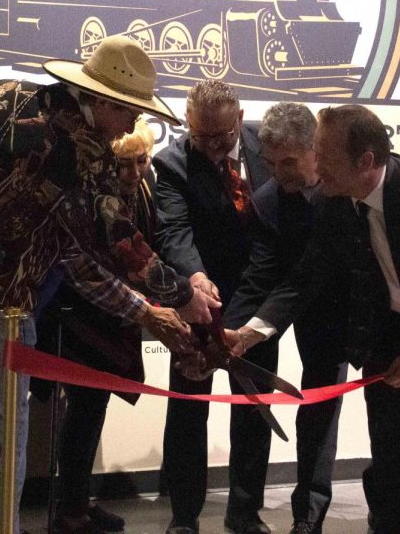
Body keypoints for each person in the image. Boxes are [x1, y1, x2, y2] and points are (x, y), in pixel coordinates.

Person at [0, 35, 216, 534]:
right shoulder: (83, 155)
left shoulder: (0, 91)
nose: (135, 122)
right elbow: (119, 242)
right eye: (131, 110)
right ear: (103, 101)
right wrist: (182, 295)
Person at [233, 105, 400, 534]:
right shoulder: (331, 198)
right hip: (393, 327)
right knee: (393, 450)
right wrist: (253, 331)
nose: (315, 165)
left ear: (365, 162)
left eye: (323, 154)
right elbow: (307, 275)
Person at [222, 102, 348, 534]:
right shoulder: (266, 202)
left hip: (333, 311)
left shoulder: (344, 190)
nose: (279, 173)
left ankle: (307, 516)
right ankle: (241, 510)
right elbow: (260, 275)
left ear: (315, 149)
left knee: (320, 411)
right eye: (271, 163)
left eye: (288, 162)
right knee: (251, 397)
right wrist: (237, 334)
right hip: (278, 302)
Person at [152, 79, 271, 534]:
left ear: (239, 120)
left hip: (256, 302)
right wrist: (195, 281)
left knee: (253, 411)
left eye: (222, 137)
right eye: (201, 137)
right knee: (187, 412)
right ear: (187, 124)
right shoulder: (173, 165)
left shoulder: (267, 145)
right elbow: (174, 233)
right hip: (199, 305)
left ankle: (244, 512)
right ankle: (184, 518)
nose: (212, 147)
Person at [35, 120, 161, 534]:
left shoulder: (144, 189)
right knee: (84, 413)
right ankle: (70, 511)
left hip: (115, 316)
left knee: (93, 412)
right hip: (77, 316)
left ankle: (78, 505)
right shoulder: (91, 195)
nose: (134, 172)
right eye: (123, 164)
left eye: (141, 161)